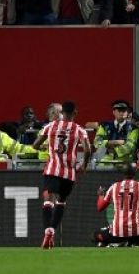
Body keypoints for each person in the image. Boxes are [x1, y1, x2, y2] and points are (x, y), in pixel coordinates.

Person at [31, 101, 91, 249]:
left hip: (52, 169)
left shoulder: (50, 127)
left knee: (48, 200)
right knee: (61, 201)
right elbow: (88, 150)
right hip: (69, 173)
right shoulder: (79, 130)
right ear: (75, 113)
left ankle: (47, 231)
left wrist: (49, 145)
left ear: (61, 113)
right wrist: (84, 164)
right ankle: (52, 230)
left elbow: (35, 145)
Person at [94, 100, 139, 165]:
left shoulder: (133, 128)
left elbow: (130, 146)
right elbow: (97, 142)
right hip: (105, 163)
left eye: (124, 111)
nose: (121, 113)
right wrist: (113, 142)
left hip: (124, 164)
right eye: (119, 111)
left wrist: (111, 149)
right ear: (113, 112)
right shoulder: (104, 125)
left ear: (127, 113)